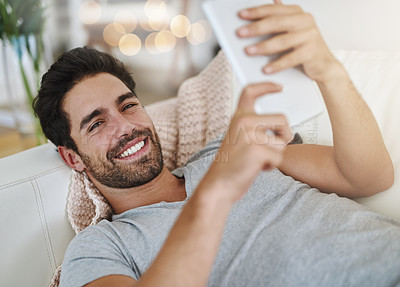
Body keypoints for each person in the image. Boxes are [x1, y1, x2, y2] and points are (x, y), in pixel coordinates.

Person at [33, 2, 400, 287]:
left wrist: (328, 71)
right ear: (72, 157)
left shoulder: (224, 152)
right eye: (96, 124)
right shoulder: (101, 247)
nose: (127, 127)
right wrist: (217, 190)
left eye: (128, 104)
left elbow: (369, 178)